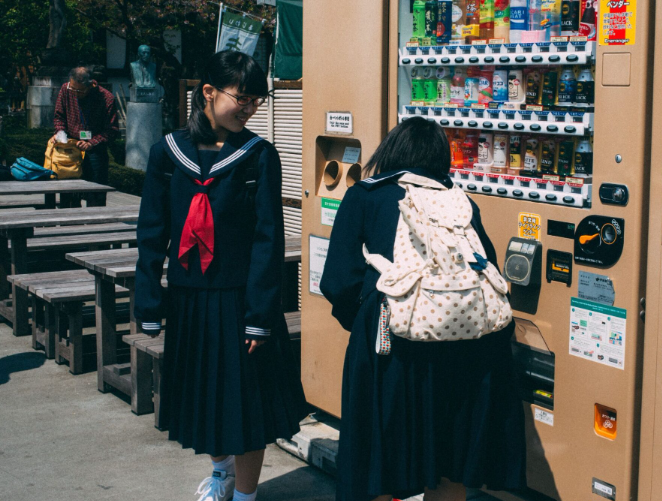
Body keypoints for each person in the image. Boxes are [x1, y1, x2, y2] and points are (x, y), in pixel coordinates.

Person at [320, 117, 527, 501]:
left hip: (389, 344)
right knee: (448, 463)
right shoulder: (460, 200)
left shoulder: (365, 194)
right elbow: (487, 264)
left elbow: (337, 281)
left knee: (377, 460)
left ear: (392, 151)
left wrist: (364, 324)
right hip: (465, 347)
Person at [134, 51, 308, 501]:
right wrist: (149, 302)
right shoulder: (166, 154)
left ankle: (247, 495)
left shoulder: (259, 157)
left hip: (241, 300)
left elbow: (269, 239)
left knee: (248, 406)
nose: (248, 108)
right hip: (191, 299)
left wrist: (260, 314)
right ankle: (221, 474)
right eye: (242, 98)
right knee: (206, 401)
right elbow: (152, 235)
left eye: (256, 101)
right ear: (208, 92)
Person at [52, 66, 119, 185]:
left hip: (95, 149)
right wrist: (60, 133)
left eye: (80, 91)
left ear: (90, 84)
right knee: (68, 187)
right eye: (73, 89)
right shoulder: (65, 89)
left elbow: (111, 129)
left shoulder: (107, 98)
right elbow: (59, 116)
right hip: (71, 145)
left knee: (96, 187)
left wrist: (91, 143)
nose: (76, 93)